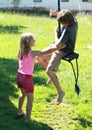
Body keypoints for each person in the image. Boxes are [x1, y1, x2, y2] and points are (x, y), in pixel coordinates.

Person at [16, 32, 65, 122]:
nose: (35, 40)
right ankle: (27, 118)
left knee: (23, 94)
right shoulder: (33, 53)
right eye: (33, 40)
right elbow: (47, 51)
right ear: (28, 42)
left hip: (19, 76)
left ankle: (19, 111)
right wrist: (58, 47)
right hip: (27, 78)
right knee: (30, 99)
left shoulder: (20, 51)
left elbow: (21, 58)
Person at [37, 9, 78, 105]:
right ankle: (53, 75)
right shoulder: (74, 21)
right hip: (60, 47)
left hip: (63, 50)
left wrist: (55, 32)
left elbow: (57, 45)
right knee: (39, 58)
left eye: (61, 22)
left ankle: (60, 92)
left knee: (49, 71)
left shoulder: (67, 31)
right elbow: (68, 14)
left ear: (65, 22)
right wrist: (57, 13)